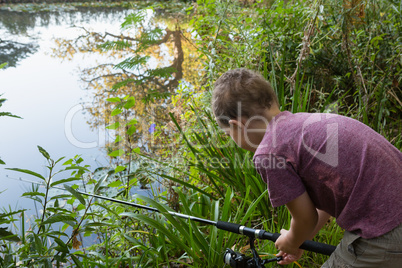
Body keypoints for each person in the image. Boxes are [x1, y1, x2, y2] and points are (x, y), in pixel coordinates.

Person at [212, 68, 402, 267]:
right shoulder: (305, 124)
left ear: (238, 125)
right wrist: (301, 239)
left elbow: (305, 219)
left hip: (385, 227)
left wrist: (291, 240)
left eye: (228, 134)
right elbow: (326, 199)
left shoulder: (269, 151)